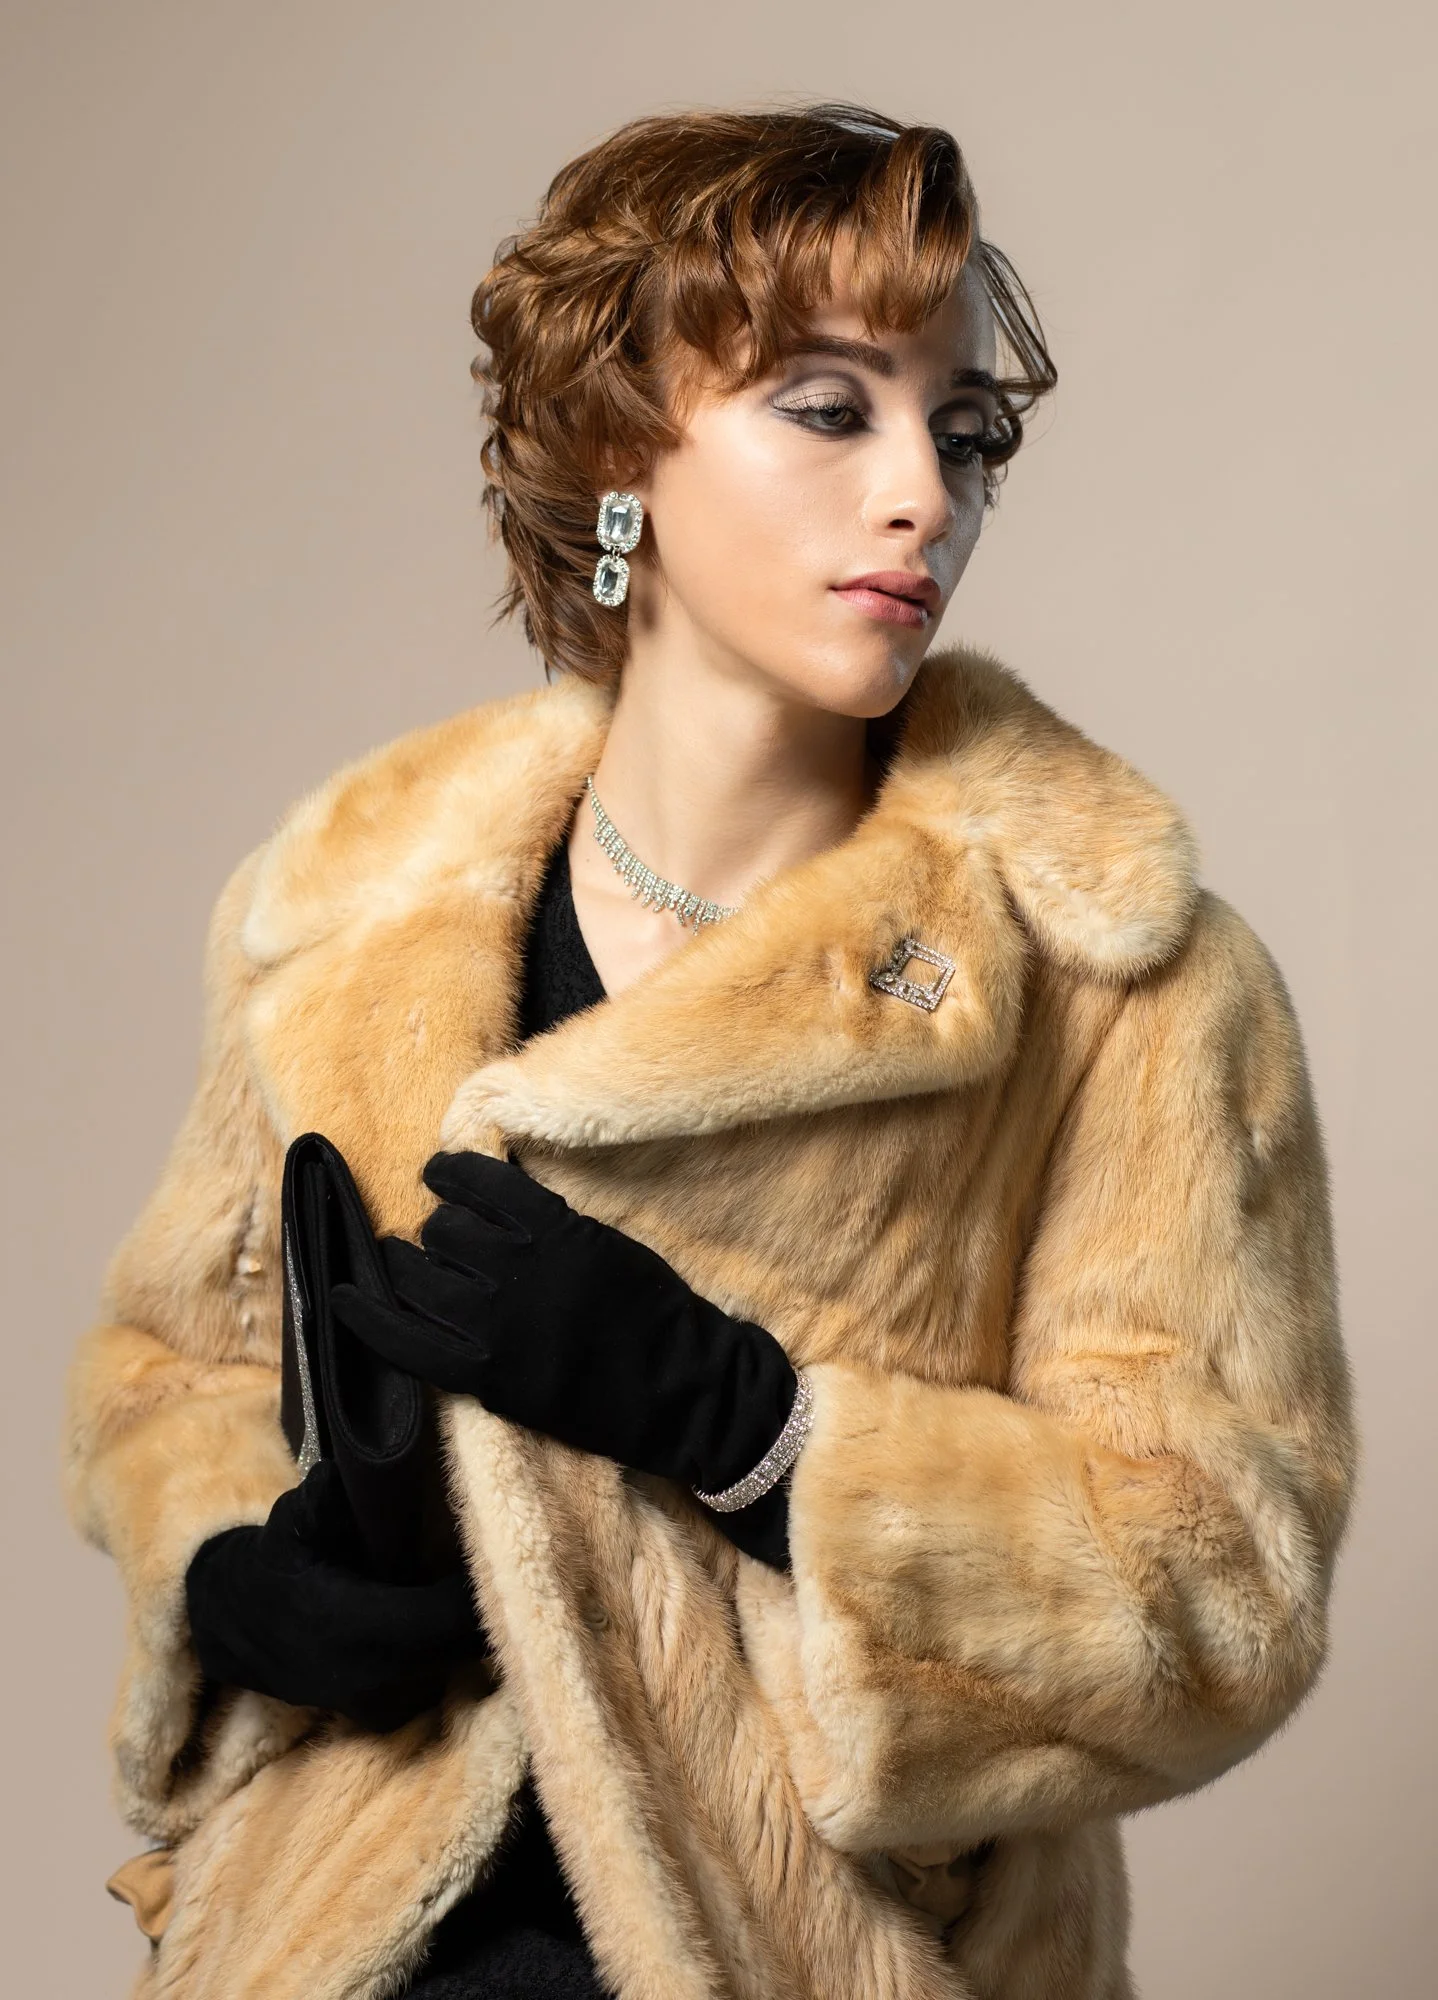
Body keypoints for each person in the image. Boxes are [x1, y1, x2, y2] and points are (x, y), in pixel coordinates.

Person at [66, 102, 1355, 2000]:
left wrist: (751, 1429)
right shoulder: (349, 906)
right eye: (829, 409)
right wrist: (240, 1576)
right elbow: (170, 1372)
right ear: (617, 452)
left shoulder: (1116, 974)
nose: (922, 494)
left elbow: (1222, 1587)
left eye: (962, 431)